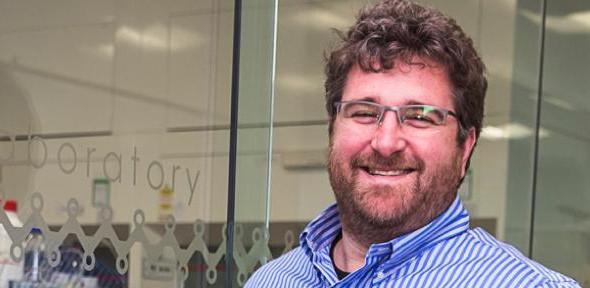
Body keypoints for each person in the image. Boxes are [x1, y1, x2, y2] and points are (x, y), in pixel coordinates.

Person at [246, 0, 581, 287]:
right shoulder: (272, 280)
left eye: (420, 116)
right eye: (364, 112)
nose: (386, 142)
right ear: (333, 128)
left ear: (465, 148)